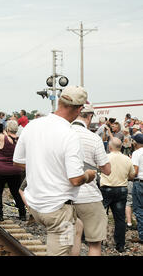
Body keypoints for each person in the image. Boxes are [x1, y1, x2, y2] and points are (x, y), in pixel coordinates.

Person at [13, 86, 97, 256]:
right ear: (80, 109)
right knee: (61, 248)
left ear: (59, 102)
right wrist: (89, 175)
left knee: (77, 226)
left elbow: (17, 161)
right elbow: (75, 179)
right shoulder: (69, 134)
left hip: (36, 206)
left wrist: (43, 165)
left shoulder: (32, 125)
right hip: (58, 211)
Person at [70, 104, 111, 256]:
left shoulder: (62, 135)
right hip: (89, 196)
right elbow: (107, 170)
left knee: (73, 239)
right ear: (89, 117)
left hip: (65, 196)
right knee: (94, 243)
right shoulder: (93, 138)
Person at [100, 137, 135, 252]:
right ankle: (120, 245)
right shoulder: (127, 159)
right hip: (121, 189)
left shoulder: (105, 157)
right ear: (121, 147)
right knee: (119, 219)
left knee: (100, 216)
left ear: (109, 147)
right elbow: (131, 176)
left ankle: (97, 241)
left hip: (106, 189)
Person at [0, 119, 26, 221]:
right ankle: (22, 213)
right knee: (16, 192)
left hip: (0, 170)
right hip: (15, 170)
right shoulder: (20, 140)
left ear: (7, 128)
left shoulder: (2, 138)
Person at [131, 133, 143, 244]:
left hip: (140, 182)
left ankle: (142, 236)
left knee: (139, 209)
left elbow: (135, 171)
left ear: (136, 143)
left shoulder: (136, 153)